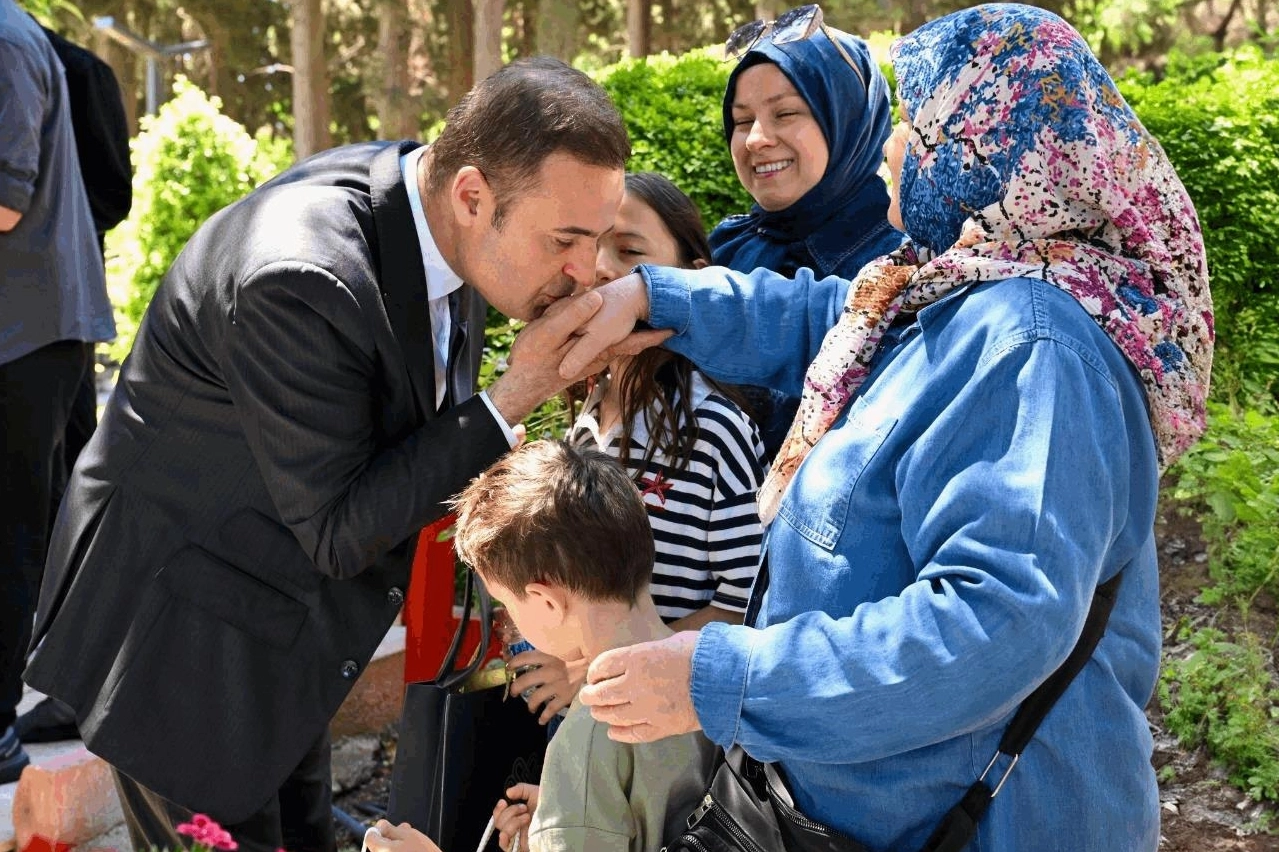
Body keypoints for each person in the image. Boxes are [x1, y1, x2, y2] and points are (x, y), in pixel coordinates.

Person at [560, 5, 1215, 850]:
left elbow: (994, 621)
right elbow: (819, 317)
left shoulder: (1033, 345)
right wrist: (651, 296)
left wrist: (723, 677)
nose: (893, 146)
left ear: (989, 150)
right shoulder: (955, 289)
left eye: (921, 123)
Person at [22, 56, 629, 852]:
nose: (585, 271)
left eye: (599, 240)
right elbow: (340, 530)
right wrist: (514, 394)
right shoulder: (302, 278)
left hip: (282, 632)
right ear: (472, 195)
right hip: (183, 653)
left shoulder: (434, 215)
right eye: (565, 241)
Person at [503, 173, 767, 731]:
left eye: (629, 252)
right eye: (590, 246)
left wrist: (596, 671)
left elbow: (748, 602)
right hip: (586, 725)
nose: (600, 268)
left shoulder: (712, 427)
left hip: (660, 730)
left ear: (691, 280)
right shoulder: (587, 415)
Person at [365, 440, 715, 852]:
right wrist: (558, 820)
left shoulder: (586, 737)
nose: (510, 619)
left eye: (508, 604)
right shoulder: (705, 668)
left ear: (546, 602)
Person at [0, 0, 117, 784]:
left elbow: (5, 203)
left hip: (27, 335)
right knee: (42, 528)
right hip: (37, 325)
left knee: (14, 534)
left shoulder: (5, 42)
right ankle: (71, 692)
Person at [711, 5, 905, 458]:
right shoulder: (727, 249)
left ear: (847, 118)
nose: (756, 138)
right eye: (742, 120)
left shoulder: (902, 267)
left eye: (785, 113)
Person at [16, 23, 134, 747]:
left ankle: (69, 670)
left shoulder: (72, 67)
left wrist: (52, 238)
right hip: (46, 312)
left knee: (66, 495)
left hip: (51, 313)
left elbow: (112, 194)